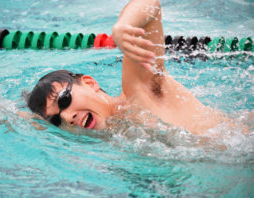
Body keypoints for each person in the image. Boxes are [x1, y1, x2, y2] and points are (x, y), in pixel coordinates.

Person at [25, 0, 230, 135]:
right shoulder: (112, 138)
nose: (67, 118)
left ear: (90, 83)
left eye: (64, 100)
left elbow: (151, 4)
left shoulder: (138, 92)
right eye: (55, 121)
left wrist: (123, 26)